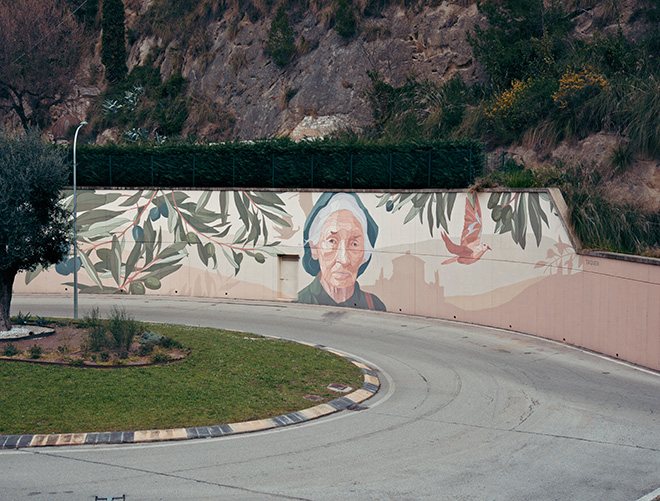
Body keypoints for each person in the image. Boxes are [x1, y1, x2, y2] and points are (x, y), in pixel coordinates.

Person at [296, 192, 386, 311]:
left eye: (354, 244)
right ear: (314, 248)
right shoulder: (300, 303)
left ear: (365, 255)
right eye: (332, 241)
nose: (344, 260)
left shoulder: (375, 306)